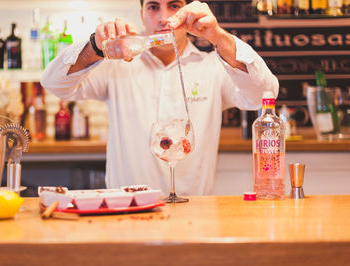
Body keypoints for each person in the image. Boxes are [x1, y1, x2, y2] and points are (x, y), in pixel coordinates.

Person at [41, 0, 279, 195]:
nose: (163, 18)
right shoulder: (116, 67)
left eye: (174, 6)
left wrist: (217, 36)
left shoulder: (213, 68)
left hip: (195, 215)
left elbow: (263, 94)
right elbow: (54, 83)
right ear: (142, 14)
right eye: (153, 7)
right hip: (127, 213)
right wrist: (95, 45)